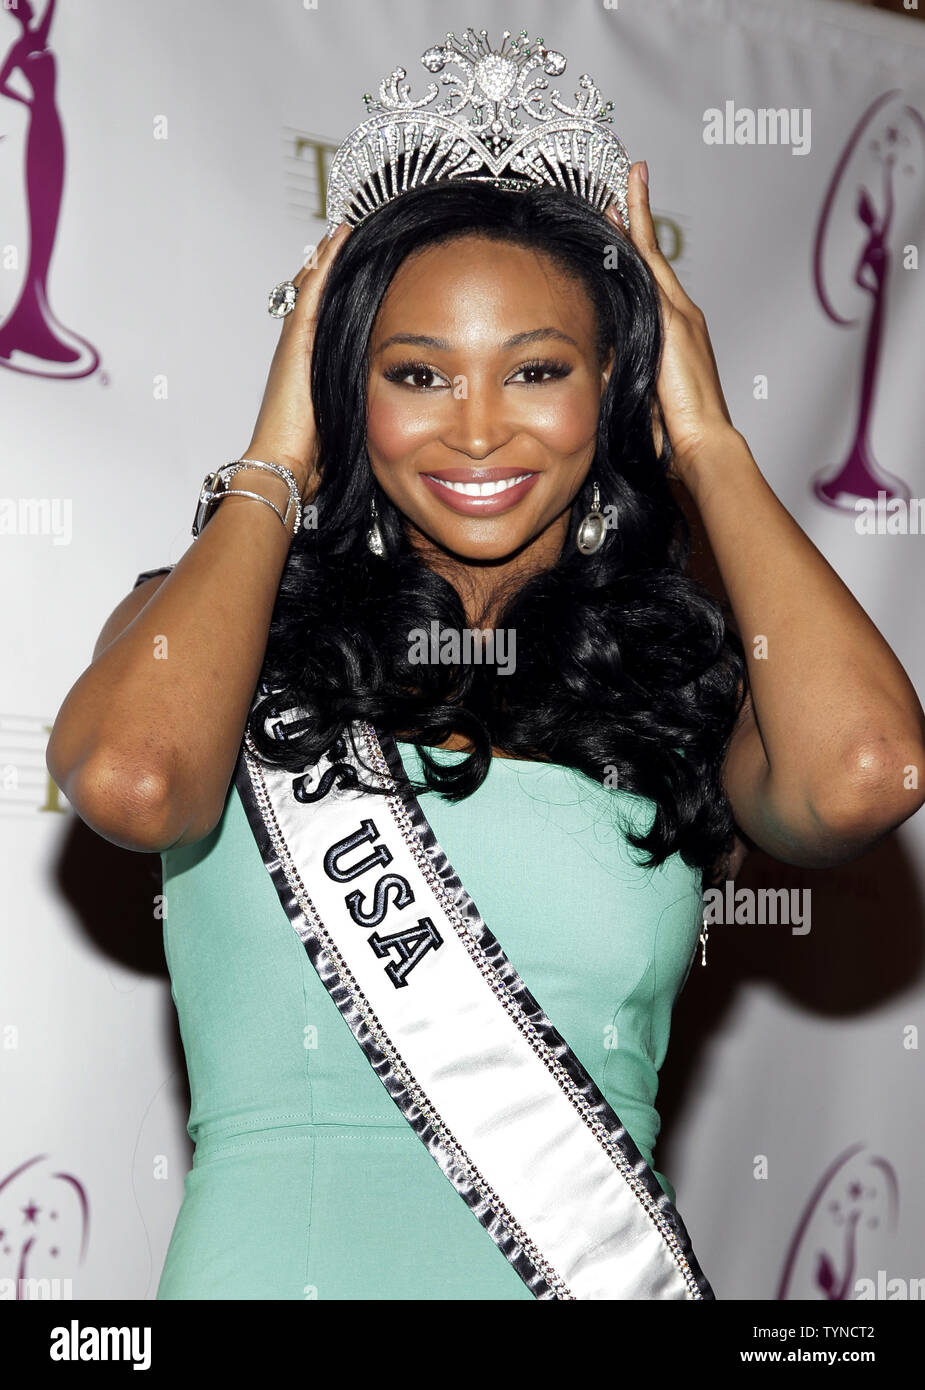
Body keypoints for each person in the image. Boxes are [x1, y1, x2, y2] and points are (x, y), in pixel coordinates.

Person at [47, 30, 925, 1301]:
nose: (475, 426)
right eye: (415, 374)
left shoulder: (680, 681)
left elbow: (869, 770)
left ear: (611, 383)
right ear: (348, 384)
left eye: (537, 370)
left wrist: (709, 441)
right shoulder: (219, 636)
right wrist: (279, 459)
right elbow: (132, 780)